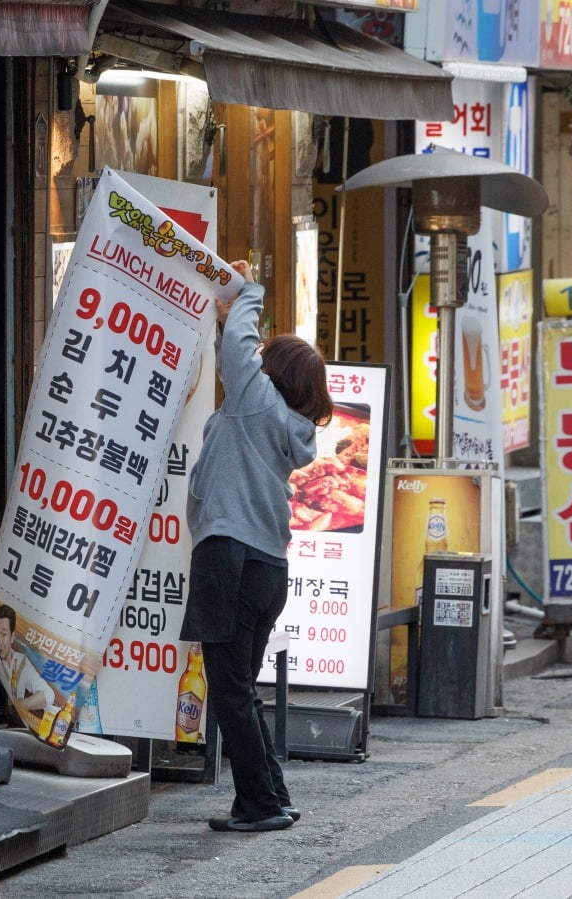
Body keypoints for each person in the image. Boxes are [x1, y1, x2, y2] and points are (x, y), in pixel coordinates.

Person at [181, 259, 333, 833]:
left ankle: (261, 805)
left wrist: (246, 290)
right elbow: (239, 354)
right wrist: (230, 313)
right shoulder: (279, 421)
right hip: (266, 565)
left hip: (232, 559)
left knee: (231, 690)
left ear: (272, 375)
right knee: (241, 688)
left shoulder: (256, 404)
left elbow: (240, 350)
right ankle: (274, 795)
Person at [0, 603, 55, 712]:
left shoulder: (21, 661)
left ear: (12, 637)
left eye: (4, 634)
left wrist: (19, 706)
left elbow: (49, 694)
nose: (0, 641)